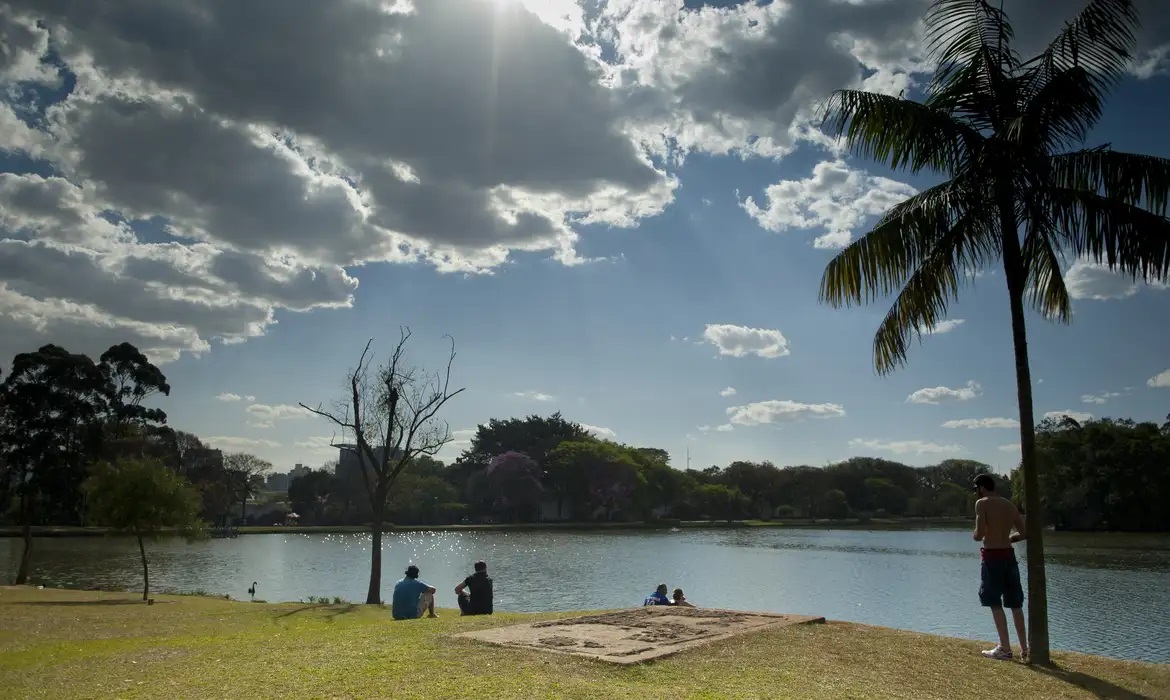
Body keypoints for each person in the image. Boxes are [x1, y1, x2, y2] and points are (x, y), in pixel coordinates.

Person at [972, 473, 1027, 661]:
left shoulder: (982, 504)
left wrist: (976, 534)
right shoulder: (1009, 504)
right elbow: (1024, 533)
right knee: (1015, 603)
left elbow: (979, 534)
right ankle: (1025, 648)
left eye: (976, 490)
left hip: (992, 557)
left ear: (981, 488)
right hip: (1009, 556)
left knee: (994, 601)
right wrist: (1008, 538)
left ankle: (1004, 647)